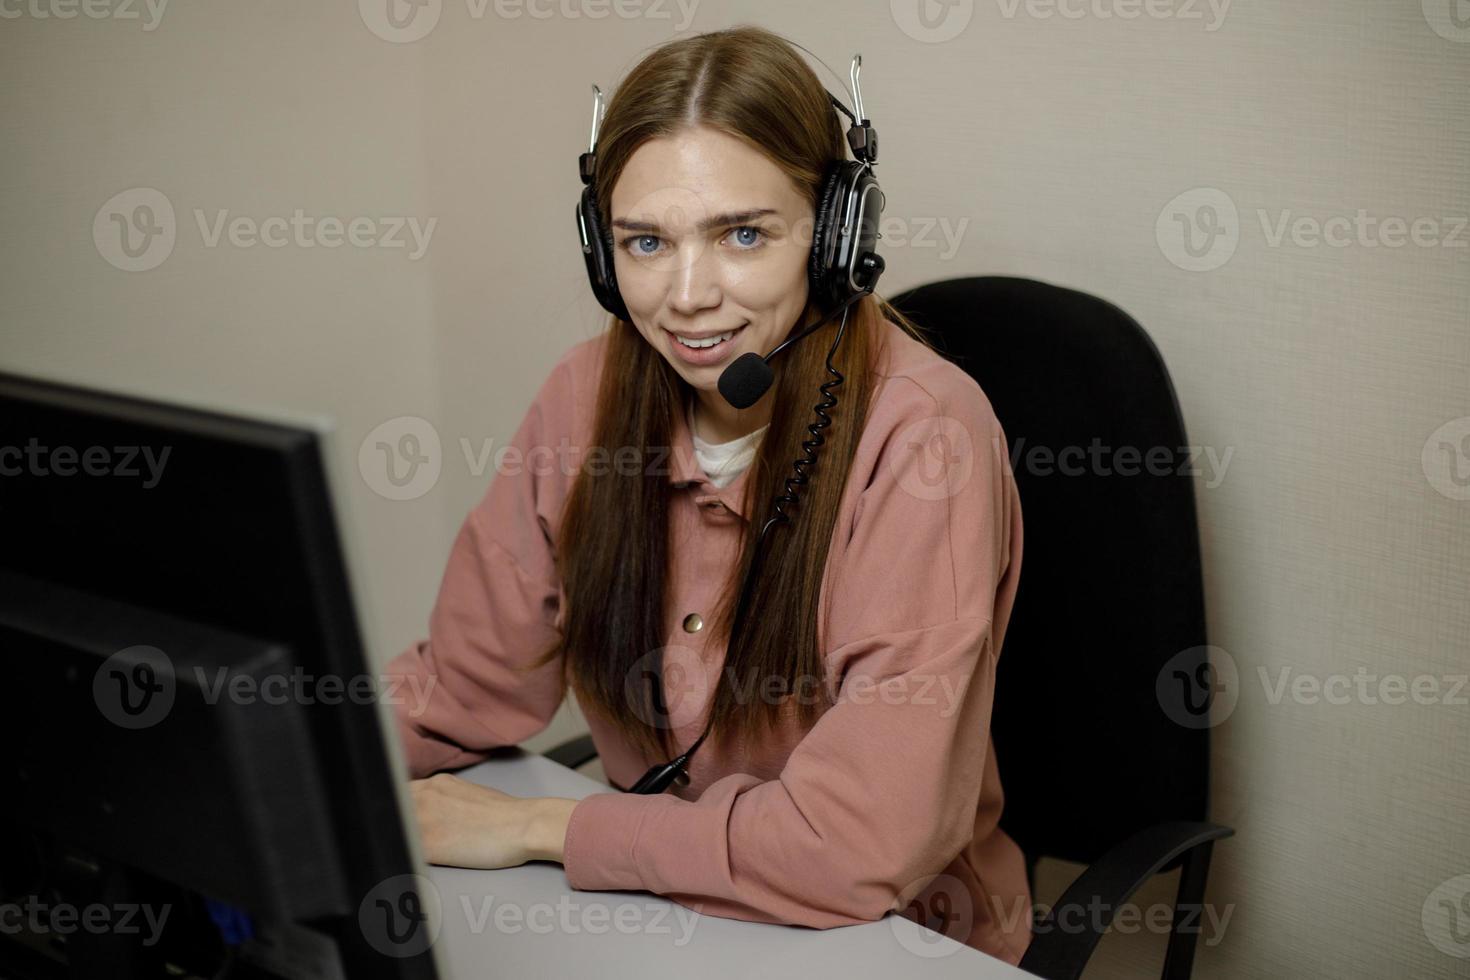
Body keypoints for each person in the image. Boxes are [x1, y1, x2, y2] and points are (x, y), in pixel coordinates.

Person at [384, 24, 1032, 964]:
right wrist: (272, 755)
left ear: (836, 233)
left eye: (742, 235)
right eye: (645, 241)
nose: (686, 296)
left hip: (880, 940)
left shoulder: (925, 436)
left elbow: (852, 848)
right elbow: (461, 684)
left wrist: (543, 832)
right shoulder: (583, 395)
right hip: (652, 920)